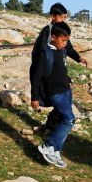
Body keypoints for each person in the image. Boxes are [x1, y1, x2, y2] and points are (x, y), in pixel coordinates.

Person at [31, 3, 88, 135]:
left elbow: (69, 49)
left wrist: (78, 58)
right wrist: (35, 92)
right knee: (56, 100)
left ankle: (50, 126)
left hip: (59, 73)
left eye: (64, 17)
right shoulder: (47, 31)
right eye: (61, 17)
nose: (63, 20)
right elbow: (38, 55)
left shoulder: (62, 31)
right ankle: (52, 129)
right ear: (52, 16)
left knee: (60, 104)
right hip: (48, 74)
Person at [31, 22, 75, 169]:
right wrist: (34, 96)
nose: (65, 43)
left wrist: (68, 81)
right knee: (69, 120)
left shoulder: (61, 51)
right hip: (56, 94)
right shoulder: (46, 53)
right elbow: (36, 77)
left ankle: (55, 151)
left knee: (65, 119)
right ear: (54, 37)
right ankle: (48, 146)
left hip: (66, 90)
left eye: (67, 40)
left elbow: (62, 69)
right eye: (63, 40)